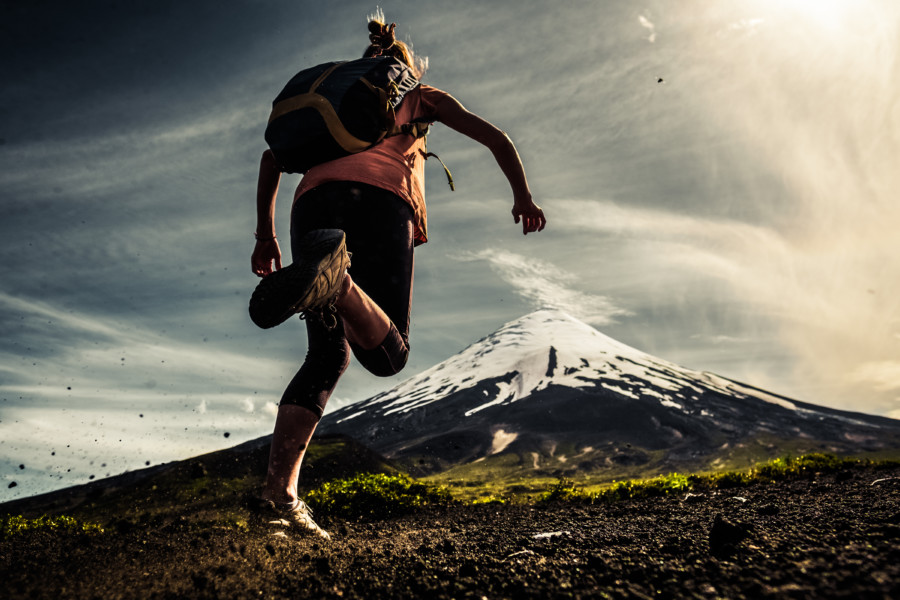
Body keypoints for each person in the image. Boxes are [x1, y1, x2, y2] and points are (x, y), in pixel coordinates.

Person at [249, 15, 546, 539]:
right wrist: (522, 196)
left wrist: (265, 236)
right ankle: (336, 280)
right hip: (379, 204)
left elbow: (272, 159)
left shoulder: (334, 107)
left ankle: (279, 497)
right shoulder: (418, 92)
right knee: (389, 355)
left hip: (310, 208)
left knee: (326, 354)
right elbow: (496, 137)